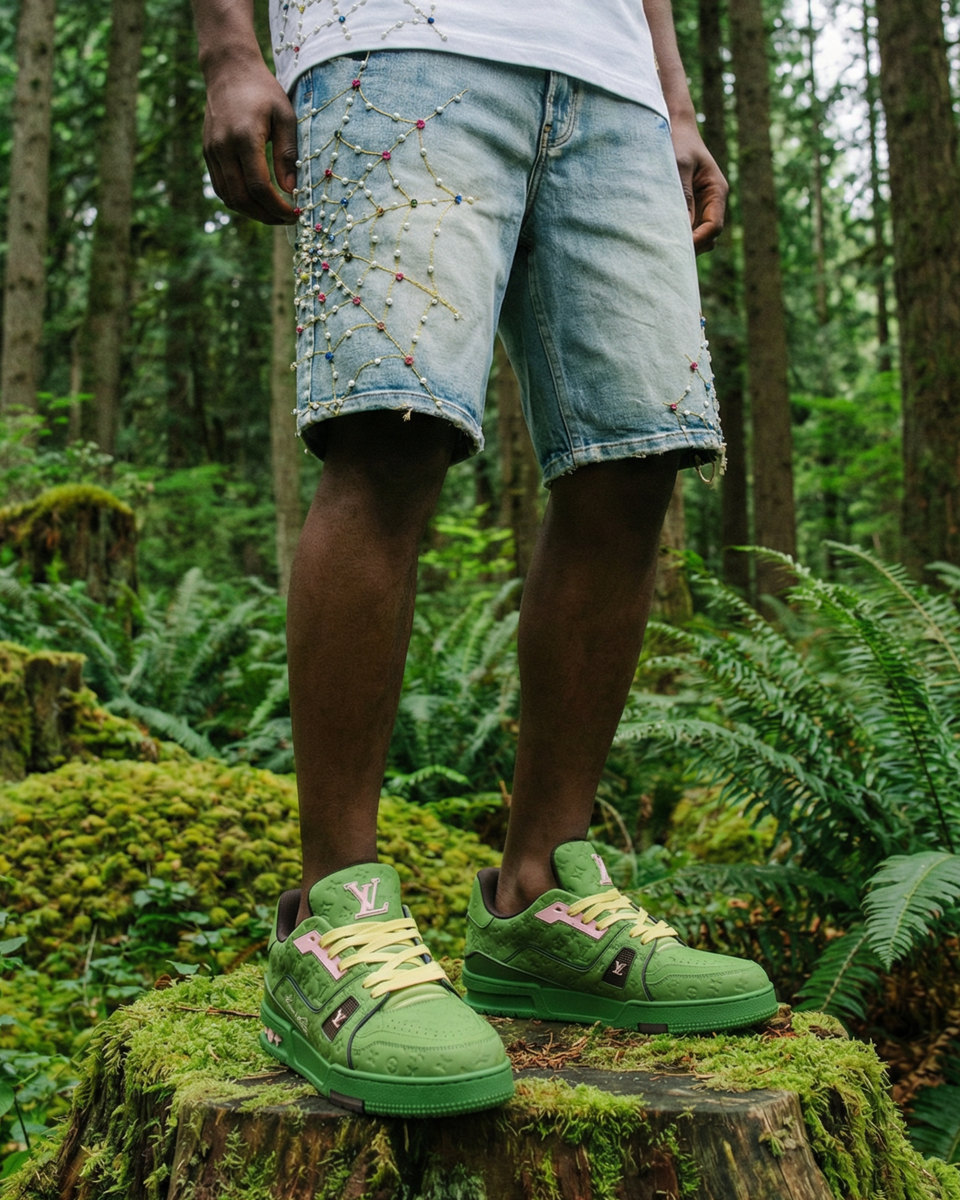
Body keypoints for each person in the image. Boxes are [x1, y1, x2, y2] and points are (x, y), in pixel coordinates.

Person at [191, 0, 777, 1119]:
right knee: (388, 431)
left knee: (636, 457)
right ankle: (335, 919)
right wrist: (228, 48)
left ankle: (541, 898)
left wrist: (675, 97)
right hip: (395, 43)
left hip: (613, 85)